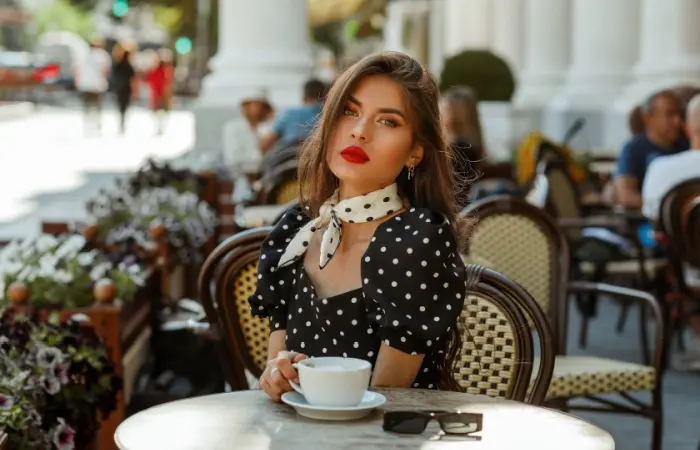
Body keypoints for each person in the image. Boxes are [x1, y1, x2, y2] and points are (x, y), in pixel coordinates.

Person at [250, 52, 468, 402]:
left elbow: (385, 401)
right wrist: (278, 375)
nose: (359, 131)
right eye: (349, 112)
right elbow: (275, 374)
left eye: (388, 122)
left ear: (415, 152)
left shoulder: (414, 242)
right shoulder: (296, 230)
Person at [643, 94, 700, 370]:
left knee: (661, 242)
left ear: (688, 128)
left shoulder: (661, 168)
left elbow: (650, 216)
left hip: (678, 268)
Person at [615, 90, 685, 209]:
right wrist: (664, 208)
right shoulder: (633, 148)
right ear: (648, 118)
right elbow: (626, 195)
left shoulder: (685, 146)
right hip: (648, 221)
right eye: (670, 114)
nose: (677, 121)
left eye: (679, 115)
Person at [259, 78, 326, 153]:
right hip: (316, 158)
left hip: (288, 157)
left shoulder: (289, 112)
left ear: (304, 96)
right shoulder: (328, 115)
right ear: (325, 97)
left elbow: (265, 145)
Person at [74, 36, 111, 134]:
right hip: (97, 84)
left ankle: (87, 123)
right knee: (97, 105)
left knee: (87, 104)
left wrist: (77, 82)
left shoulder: (84, 54)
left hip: (85, 84)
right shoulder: (103, 55)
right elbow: (105, 70)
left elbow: (77, 69)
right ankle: (96, 123)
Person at [144, 48, 175, 135]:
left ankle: (160, 127)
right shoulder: (158, 71)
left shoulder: (167, 70)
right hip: (159, 95)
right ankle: (159, 127)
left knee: (161, 112)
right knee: (159, 112)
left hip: (161, 95)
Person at [111, 44, 138, 134]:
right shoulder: (129, 66)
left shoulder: (118, 65)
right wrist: (135, 92)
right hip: (126, 89)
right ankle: (122, 122)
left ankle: (121, 122)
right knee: (124, 107)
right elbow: (133, 80)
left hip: (119, 88)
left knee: (120, 106)